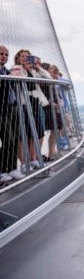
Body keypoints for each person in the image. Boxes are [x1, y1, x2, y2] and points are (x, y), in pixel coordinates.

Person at [0, 45, 25, 184]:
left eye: (6, 54)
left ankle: (12, 168)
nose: (4, 56)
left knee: (15, 139)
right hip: (2, 110)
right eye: (1, 54)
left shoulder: (5, 70)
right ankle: (2, 170)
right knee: (8, 139)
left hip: (12, 107)